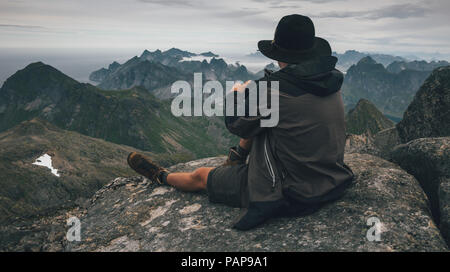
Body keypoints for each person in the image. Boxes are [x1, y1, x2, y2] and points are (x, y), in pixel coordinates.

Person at [127, 14, 354, 230]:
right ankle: (235, 160)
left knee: (201, 176)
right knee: (264, 121)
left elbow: (235, 123)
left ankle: (161, 176)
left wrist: (238, 94)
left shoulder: (274, 93)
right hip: (330, 180)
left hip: (290, 191)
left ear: (278, 54)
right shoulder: (328, 80)